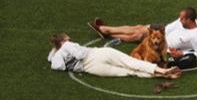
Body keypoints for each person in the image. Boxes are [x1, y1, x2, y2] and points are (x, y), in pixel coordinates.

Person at [90, 8, 197, 69]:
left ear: (189, 20)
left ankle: (105, 31)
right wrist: (159, 30)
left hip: (161, 44)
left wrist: (182, 52)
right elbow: (171, 26)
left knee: (137, 35)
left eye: (182, 18)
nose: (179, 19)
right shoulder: (187, 21)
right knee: (138, 28)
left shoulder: (195, 37)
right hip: (161, 31)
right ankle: (107, 30)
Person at [47, 33, 181, 79]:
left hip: (92, 69)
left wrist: (58, 50)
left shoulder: (56, 56)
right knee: (131, 63)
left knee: (130, 72)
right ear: (63, 41)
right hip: (98, 54)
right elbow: (80, 53)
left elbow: (55, 65)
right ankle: (163, 71)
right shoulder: (68, 45)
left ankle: (162, 75)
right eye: (68, 39)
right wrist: (68, 46)